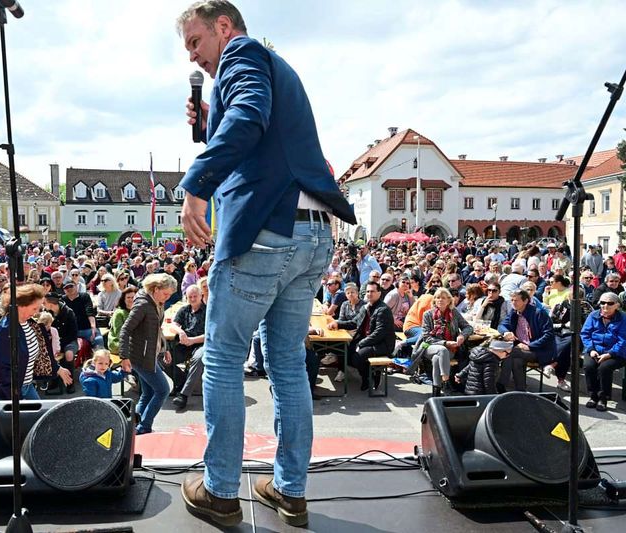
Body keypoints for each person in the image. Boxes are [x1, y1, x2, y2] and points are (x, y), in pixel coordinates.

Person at [175, 2, 357, 528]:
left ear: (224, 28)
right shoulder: (267, 66)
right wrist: (211, 122)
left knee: (225, 357)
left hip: (268, 231)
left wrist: (195, 185)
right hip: (314, 234)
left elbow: (250, 118)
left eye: (195, 41)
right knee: (285, 364)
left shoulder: (244, 53)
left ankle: (220, 491)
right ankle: (289, 490)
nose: (194, 55)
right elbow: (261, 135)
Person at [0, 284, 72, 404]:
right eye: (34, 308)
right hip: (7, 392)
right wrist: (16, 401)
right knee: (26, 421)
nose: (36, 313)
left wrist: (57, 368)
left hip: (26, 385)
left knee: (38, 419)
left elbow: (42, 353)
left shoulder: (29, 323)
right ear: (20, 306)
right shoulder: (5, 331)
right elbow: (4, 372)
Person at [118, 273, 177, 435]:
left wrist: (165, 348)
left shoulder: (156, 302)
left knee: (149, 392)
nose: (167, 297)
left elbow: (157, 329)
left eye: (170, 295)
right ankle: (144, 426)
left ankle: (132, 425)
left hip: (149, 354)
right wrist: (124, 357)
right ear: (156, 289)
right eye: (166, 294)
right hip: (141, 357)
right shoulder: (143, 304)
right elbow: (125, 329)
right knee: (163, 390)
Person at [328, 280, 395, 391]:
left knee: (357, 357)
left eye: (372, 291)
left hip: (382, 344)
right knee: (345, 352)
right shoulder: (366, 307)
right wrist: (337, 323)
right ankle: (368, 374)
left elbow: (379, 333)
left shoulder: (383, 310)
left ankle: (369, 377)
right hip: (368, 340)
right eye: (368, 291)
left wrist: (361, 343)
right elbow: (354, 322)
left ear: (379, 293)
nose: (369, 294)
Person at [406, 288, 472, 396]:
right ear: (434, 300)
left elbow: (468, 327)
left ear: (449, 300)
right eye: (437, 297)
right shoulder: (428, 314)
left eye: (443, 298)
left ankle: (436, 392)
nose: (440, 300)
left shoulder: (454, 312)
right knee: (442, 350)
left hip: (450, 349)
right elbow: (426, 337)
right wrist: (445, 343)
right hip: (429, 346)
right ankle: (445, 381)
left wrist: (462, 335)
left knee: (437, 359)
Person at [498, 289, 556, 392]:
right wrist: (506, 332)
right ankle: (520, 390)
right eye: (512, 300)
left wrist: (530, 346)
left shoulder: (538, 313)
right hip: (521, 349)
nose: (513, 303)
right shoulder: (514, 312)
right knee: (516, 361)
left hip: (539, 350)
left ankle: (501, 385)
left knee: (509, 352)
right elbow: (502, 325)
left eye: (516, 300)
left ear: (525, 301)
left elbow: (549, 334)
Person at [581, 292, 626, 411]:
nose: (605, 306)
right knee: (588, 366)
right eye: (602, 303)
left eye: (610, 303)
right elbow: (585, 334)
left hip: (616, 353)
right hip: (595, 349)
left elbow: (623, 340)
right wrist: (591, 349)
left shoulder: (622, 318)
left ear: (617, 305)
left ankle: (603, 398)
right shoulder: (593, 315)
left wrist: (610, 354)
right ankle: (593, 396)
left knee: (604, 368)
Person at [168, 284, 206, 393]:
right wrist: (180, 332)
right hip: (184, 344)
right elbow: (173, 325)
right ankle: (183, 380)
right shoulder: (184, 309)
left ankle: (184, 394)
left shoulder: (208, 311)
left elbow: (210, 335)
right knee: (163, 358)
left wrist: (192, 340)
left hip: (200, 344)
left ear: (201, 296)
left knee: (198, 359)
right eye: (190, 297)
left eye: (195, 296)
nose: (193, 299)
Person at [107, 286, 138, 354]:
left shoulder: (137, 311)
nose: (131, 299)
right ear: (124, 299)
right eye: (128, 297)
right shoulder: (119, 313)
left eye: (133, 297)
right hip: (118, 344)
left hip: (133, 342)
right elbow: (120, 334)